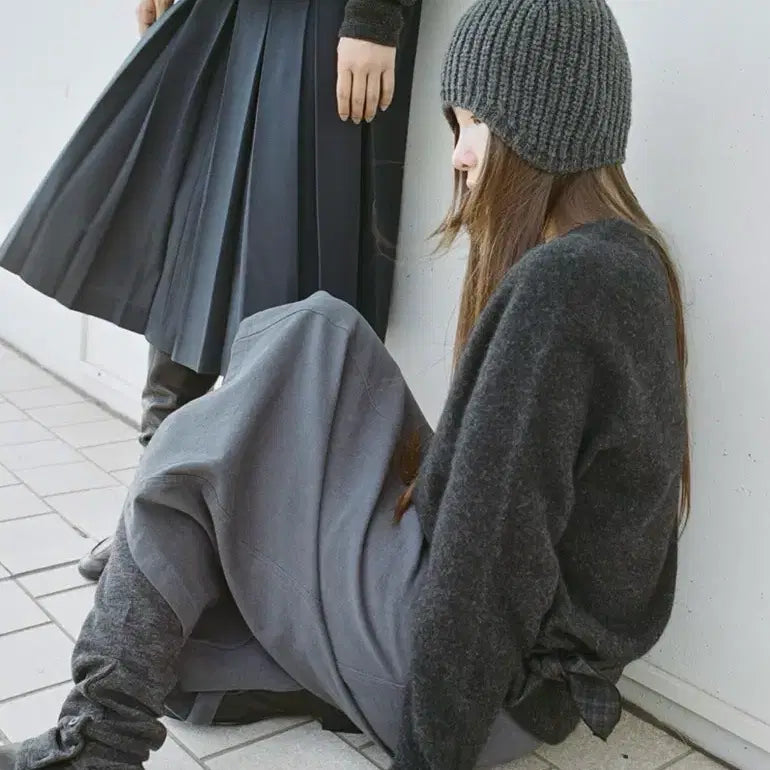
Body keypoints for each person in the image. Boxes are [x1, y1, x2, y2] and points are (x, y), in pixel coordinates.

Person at [0, 0, 690, 767]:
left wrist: (430, 752)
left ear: (539, 123)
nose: (460, 156)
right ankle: (182, 646)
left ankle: (95, 742)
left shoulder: (565, 285)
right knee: (316, 335)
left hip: (488, 690)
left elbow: (492, 553)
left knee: (198, 460)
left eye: (474, 124)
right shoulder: (621, 262)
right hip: (500, 664)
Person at [0, 0, 421, 581]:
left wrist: (375, 13)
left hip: (320, 24)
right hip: (225, 15)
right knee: (190, 262)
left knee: (291, 273)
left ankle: (255, 548)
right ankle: (151, 516)